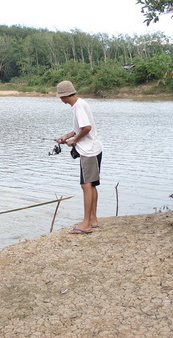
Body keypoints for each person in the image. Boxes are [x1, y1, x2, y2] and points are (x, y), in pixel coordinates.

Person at [55, 80, 103, 234]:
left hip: (89, 151)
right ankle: (93, 219)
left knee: (86, 185)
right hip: (92, 149)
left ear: (63, 96)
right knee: (91, 184)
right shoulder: (79, 104)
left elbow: (87, 128)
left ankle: (86, 224)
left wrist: (74, 141)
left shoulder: (78, 106)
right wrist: (67, 136)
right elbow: (79, 128)